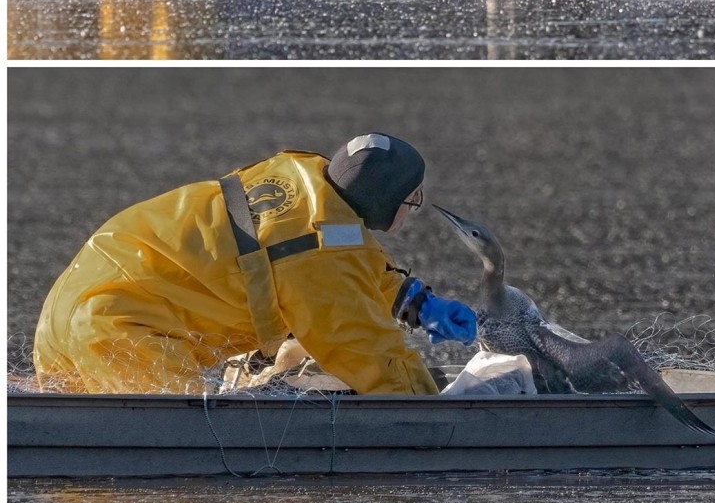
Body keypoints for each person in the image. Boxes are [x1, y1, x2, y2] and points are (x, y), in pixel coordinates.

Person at [33, 133, 477, 395]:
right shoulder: (318, 260)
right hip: (119, 328)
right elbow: (365, 349)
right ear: (384, 202)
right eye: (412, 199)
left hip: (74, 304)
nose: (414, 206)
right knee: (184, 441)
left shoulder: (302, 181)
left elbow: (333, 254)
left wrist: (413, 302)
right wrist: (431, 406)